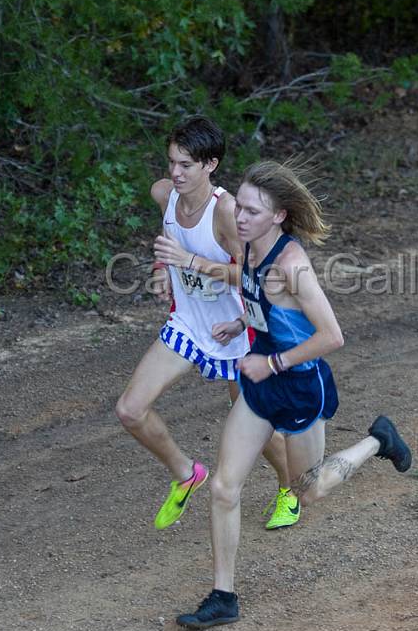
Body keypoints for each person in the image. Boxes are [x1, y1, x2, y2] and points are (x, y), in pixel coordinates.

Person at [176, 160, 413, 629]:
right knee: (224, 487)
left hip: (300, 384)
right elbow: (261, 298)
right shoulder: (246, 248)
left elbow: (331, 335)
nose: (239, 218)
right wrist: (241, 323)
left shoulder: (293, 264)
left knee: (311, 491)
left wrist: (272, 362)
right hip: (261, 386)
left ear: (279, 216)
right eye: (238, 207)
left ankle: (378, 441)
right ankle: (223, 596)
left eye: (251, 211)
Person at [118, 116, 300, 531]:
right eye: (172, 162)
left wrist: (192, 263)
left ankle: (291, 486)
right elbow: (170, 240)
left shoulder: (227, 212)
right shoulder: (163, 194)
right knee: (130, 410)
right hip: (189, 323)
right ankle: (186, 474)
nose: (175, 173)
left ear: (210, 165)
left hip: (238, 329)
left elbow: (255, 273)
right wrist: (163, 267)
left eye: (186, 165)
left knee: (255, 426)